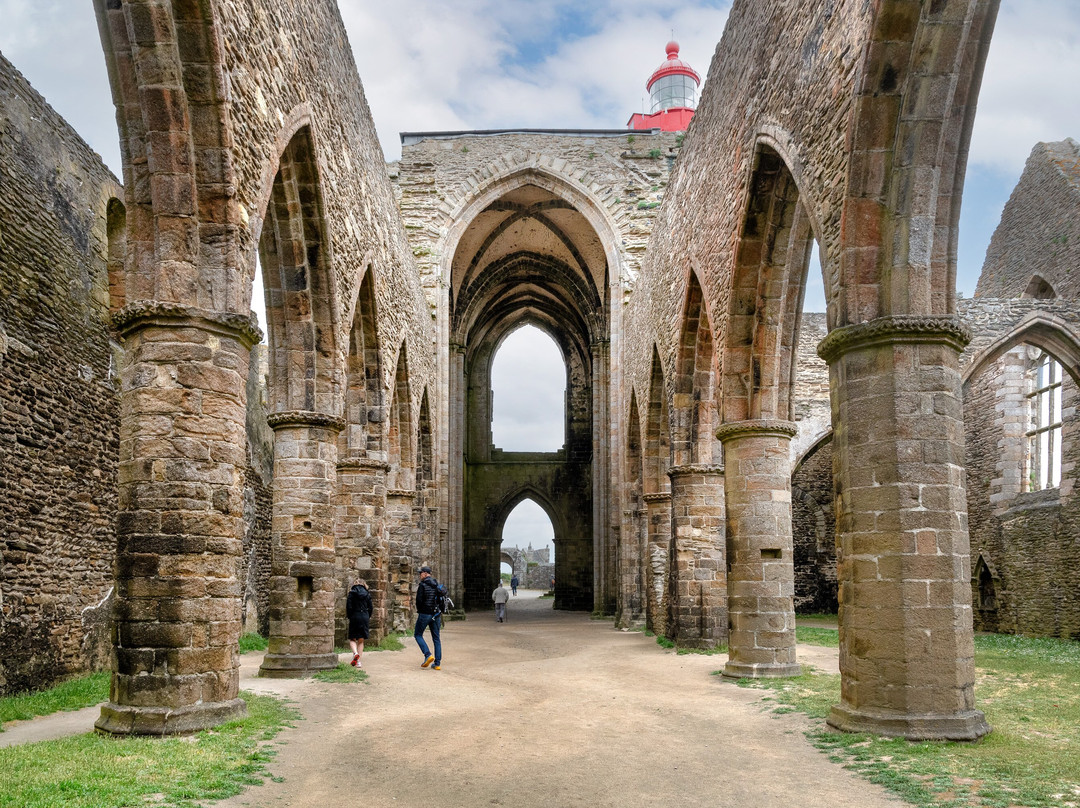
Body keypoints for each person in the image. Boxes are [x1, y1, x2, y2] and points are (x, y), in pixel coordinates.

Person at [414, 566, 442, 670]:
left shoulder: (423, 585)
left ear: (425, 573)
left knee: (417, 634)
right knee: (436, 638)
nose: (420, 575)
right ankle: (437, 663)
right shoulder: (436, 584)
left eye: (420, 573)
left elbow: (419, 600)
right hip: (436, 614)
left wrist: (421, 610)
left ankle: (427, 654)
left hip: (425, 613)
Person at [346, 577, 373, 668]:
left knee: (352, 638)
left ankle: (355, 653)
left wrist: (350, 616)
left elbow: (348, 607)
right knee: (361, 640)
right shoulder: (367, 594)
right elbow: (371, 607)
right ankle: (358, 662)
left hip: (355, 615)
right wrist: (367, 616)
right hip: (364, 616)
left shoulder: (351, 593)